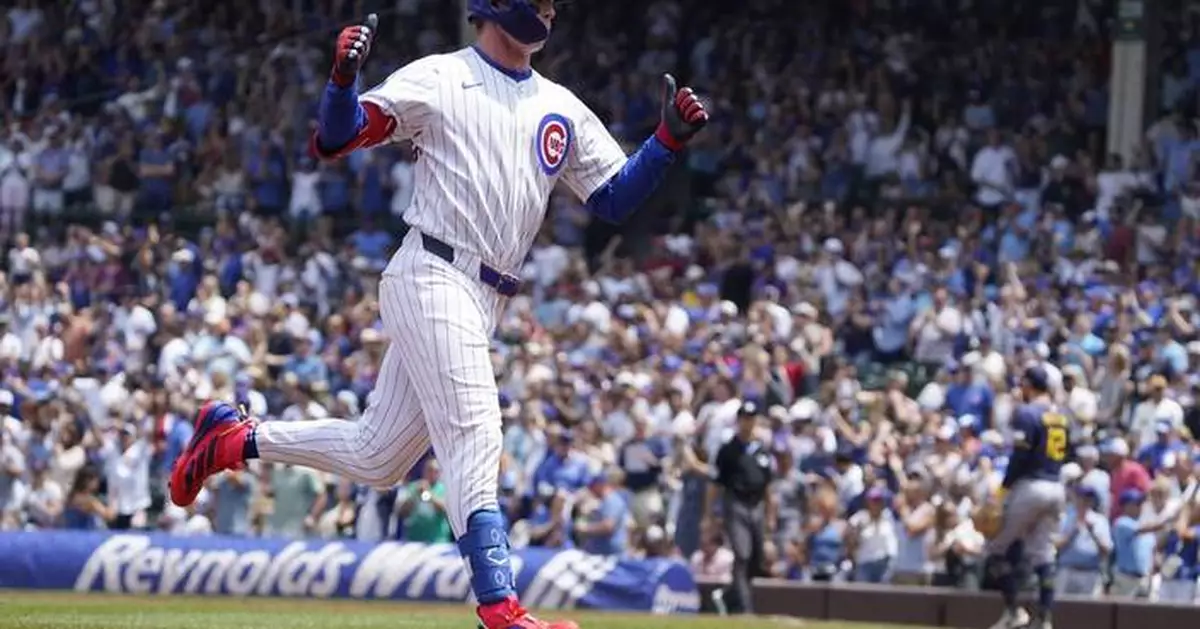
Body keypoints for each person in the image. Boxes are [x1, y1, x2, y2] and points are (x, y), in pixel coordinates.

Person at [166, 3, 708, 629]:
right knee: (477, 433)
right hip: (434, 269)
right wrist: (342, 80)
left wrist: (665, 143)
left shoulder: (559, 103)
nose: (550, 8)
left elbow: (612, 198)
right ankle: (500, 608)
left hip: (485, 295)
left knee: (378, 457)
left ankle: (234, 439)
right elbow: (339, 136)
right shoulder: (442, 76)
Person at [985, 366, 1068, 629]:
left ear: (1030, 385)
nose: (1020, 388)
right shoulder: (1060, 416)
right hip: (1056, 487)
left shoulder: (1027, 412)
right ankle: (1045, 619)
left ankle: (1013, 612)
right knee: (1044, 556)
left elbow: (1019, 457)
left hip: (1031, 486)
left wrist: (1002, 491)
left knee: (995, 550)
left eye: (1022, 383)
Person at [706, 401, 775, 614]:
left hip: (757, 504)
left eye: (751, 418)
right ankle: (745, 608)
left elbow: (768, 487)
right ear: (738, 421)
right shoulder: (728, 450)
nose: (748, 422)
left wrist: (771, 515)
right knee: (742, 553)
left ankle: (728, 595)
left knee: (756, 558)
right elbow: (716, 485)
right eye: (744, 418)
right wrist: (709, 514)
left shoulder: (761, 451)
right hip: (735, 503)